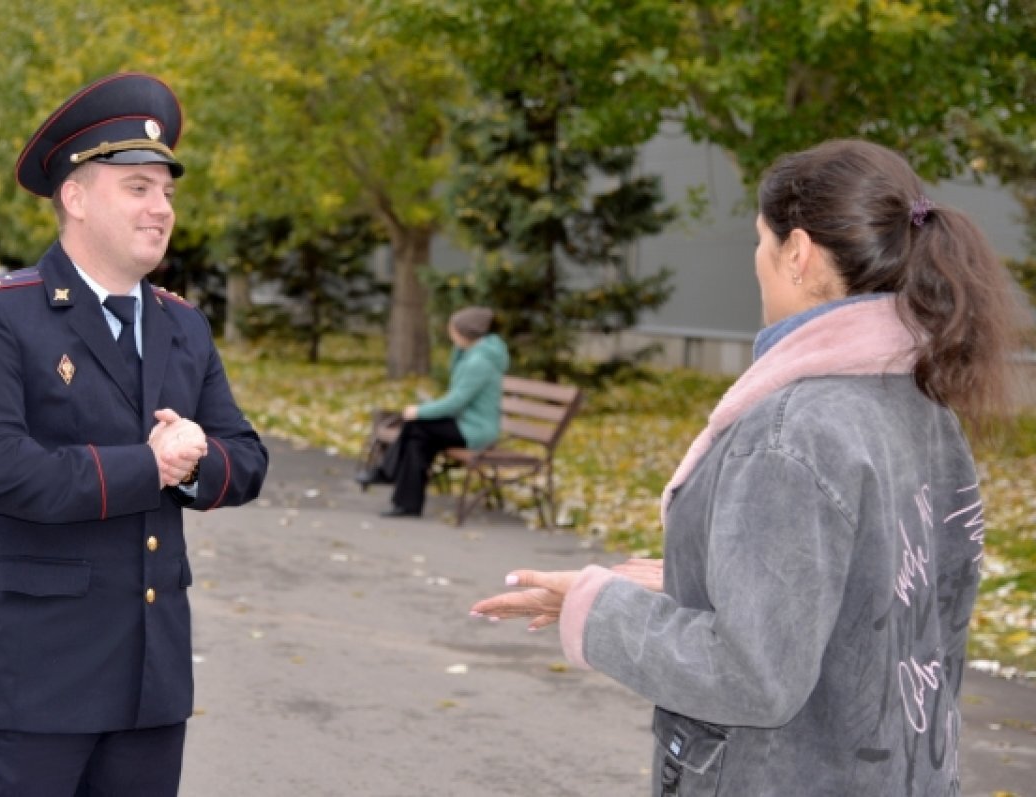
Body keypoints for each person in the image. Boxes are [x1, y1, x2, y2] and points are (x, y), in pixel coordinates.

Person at [470, 139, 1026, 795]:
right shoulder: (926, 410)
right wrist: (697, 579)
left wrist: (598, 608)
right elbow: (884, 603)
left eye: (759, 242)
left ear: (797, 253)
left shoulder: (792, 431)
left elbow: (752, 675)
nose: (756, 264)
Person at [0, 72, 269, 796]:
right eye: (138, 188)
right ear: (77, 197)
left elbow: (245, 459)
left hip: (150, 686)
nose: (161, 209)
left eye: (167, 193)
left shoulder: (182, 324)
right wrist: (145, 467)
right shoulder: (0, 313)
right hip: (34, 682)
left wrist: (194, 461)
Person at [356, 306, 509, 517]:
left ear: (466, 333)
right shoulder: (471, 354)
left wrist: (419, 411)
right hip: (464, 423)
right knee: (418, 441)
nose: (450, 333)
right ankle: (406, 504)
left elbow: (456, 401)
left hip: (476, 430)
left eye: (453, 329)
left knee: (416, 424)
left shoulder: (479, 362)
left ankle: (387, 474)